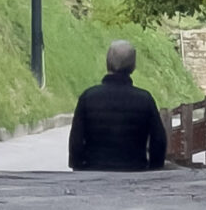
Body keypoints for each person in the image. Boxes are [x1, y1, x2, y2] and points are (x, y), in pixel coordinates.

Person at [68, 40, 170, 171]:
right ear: (133, 66)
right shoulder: (145, 99)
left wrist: (78, 167)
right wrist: (153, 168)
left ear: (107, 63)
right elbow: (158, 140)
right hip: (135, 171)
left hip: (94, 171)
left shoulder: (88, 97)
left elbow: (76, 140)